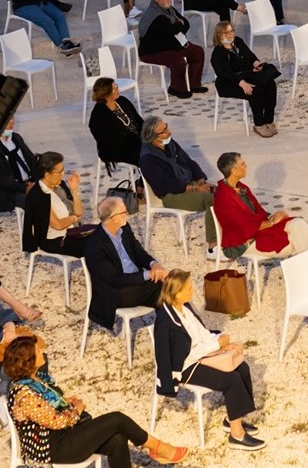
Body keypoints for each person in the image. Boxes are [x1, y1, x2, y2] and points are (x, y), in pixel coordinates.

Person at [4, 334, 190, 468]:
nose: (42, 351)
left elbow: (49, 408)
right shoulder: (23, 394)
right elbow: (57, 421)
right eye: (38, 351)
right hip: (53, 447)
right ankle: (158, 448)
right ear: (28, 360)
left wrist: (66, 402)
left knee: (117, 437)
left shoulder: (36, 380)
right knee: (116, 419)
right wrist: (77, 408)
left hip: (65, 435)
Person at [151, 272, 265, 452]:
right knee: (231, 379)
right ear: (176, 293)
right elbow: (183, 355)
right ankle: (237, 435)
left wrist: (220, 343)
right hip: (185, 367)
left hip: (200, 357)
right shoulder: (166, 322)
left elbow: (202, 333)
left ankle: (233, 419)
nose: (193, 291)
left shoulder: (185, 308)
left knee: (242, 367)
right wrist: (215, 346)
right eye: (188, 288)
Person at [212, 153, 308, 262]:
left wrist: (273, 217)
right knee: (302, 241)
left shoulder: (241, 187)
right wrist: (272, 223)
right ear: (234, 171)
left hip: (258, 229)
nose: (246, 166)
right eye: (242, 164)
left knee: (299, 224)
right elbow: (243, 227)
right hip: (242, 242)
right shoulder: (224, 197)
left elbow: (258, 213)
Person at [81, 195, 168, 331]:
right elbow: (115, 280)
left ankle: (195, 335)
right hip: (116, 294)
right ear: (113, 218)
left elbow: (138, 251)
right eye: (123, 211)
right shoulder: (95, 246)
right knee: (166, 285)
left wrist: (153, 264)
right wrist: (149, 275)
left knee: (170, 298)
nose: (127, 214)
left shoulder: (124, 228)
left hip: (138, 285)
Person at [211, 19, 282, 135]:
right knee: (256, 90)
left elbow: (250, 55)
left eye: (231, 31)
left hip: (247, 74)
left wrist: (256, 64)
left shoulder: (238, 41)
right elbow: (226, 73)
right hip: (229, 83)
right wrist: (242, 83)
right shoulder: (218, 53)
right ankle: (259, 124)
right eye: (226, 32)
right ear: (219, 35)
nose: (230, 34)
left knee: (270, 84)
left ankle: (269, 120)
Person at [139, 0, 206, 98]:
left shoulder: (169, 9)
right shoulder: (154, 15)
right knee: (178, 61)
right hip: (153, 51)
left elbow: (186, 24)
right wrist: (179, 23)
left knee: (197, 52)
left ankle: (193, 84)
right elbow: (172, 30)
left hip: (171, 45)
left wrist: (179, 25)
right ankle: (176, 88)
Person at [139, 117, 216, 216]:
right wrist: (195, 188)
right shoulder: (148, 159)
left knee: (223, 192)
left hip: (189, 183)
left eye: (166, 127)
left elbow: (188, 161)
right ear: (153, 138)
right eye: (164, 131)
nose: (169, 132)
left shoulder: (169, 143)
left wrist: (201, 180)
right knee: (213, 200)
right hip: (173, 195)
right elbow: (165, 185)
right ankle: (215, 231)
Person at [19, 151, 82, 258]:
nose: (63, 175)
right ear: (47, 175)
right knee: (96, 246)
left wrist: (75, 191)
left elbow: (79, 212)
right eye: (59, 172)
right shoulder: (39, 195)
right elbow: (58, 225)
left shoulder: (59, 186)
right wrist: (75, 218)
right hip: (53, 240)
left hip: (70, 232)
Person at [87, 77, 144, 172]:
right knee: (149, 154)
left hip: (136, 141)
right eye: (114, 88)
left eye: (116, 86)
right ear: (106, 93)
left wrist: (149, 134)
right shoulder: (99, 115)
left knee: (164, 144)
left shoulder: (122, 101)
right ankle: (144, 183)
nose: (118, 89)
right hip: (118, 149)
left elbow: (139, 121)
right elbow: (111, 140)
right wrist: (139, 142)